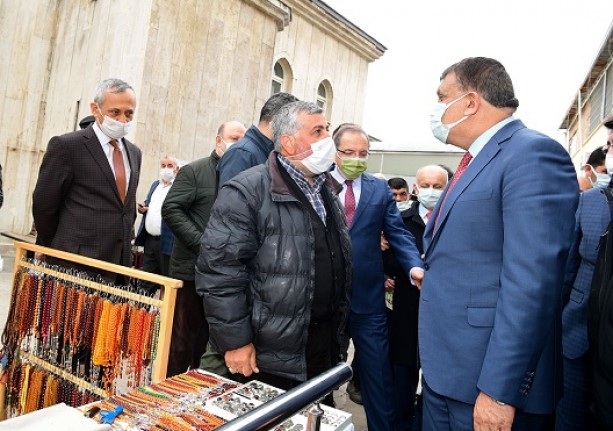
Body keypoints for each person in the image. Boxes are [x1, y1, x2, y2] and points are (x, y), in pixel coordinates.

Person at [419, 57, 579, 431]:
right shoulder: (475, 161)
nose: (436, 110)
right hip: (448, 373)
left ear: (471, 102)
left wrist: (500, 391)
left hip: (487, 387)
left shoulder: (531, 155)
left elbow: (531, 285)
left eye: (443, 98)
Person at [195, 102, 351, 404]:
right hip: (269, 357)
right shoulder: (246, 190)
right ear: (288, 142)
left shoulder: (326, 191)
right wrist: (236, 341)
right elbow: (220, 272)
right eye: (317, 131)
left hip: (319, 348)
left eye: (327, 129)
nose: (327, 139)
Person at [330, 123, 424, 431]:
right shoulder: (315, 184)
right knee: (317, 375)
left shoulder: (377, 189)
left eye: (363, 153)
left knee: (378, 378)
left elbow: (397, 234)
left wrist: (412, 266)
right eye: (349, 152)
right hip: (323, 299)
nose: (357, 158)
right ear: (335, 151)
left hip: (368, 300)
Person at [32, 78, 141, 282]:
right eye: (115, 112)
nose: (122, 120)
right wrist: (50, 246)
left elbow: (126, 206)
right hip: (75, 262)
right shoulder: (67, 146)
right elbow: (45, 205)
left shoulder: (134, 154)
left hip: (119, 266)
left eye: (129, 113)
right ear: (95, 108)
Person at [161, 120, 246, 377]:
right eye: (233, 138)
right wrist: (202, 244)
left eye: (243, 140)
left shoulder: (246, 174)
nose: (238, 145)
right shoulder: (195, 172)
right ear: (218, 140)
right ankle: (171, 393)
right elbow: (171, 209)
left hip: (227, 277)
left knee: (212, 342)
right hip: (191, 272)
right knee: (182, 342)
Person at [384, 165, 448, 431]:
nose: (431, 192)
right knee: (402, 377)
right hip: (405, 307)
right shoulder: (398, 219)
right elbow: (386, 261)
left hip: (443, 311)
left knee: (437, 380)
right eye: (425, 185)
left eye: (438, 186)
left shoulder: (454, 217)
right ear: (415, 188)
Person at [216, 92, 298, 186]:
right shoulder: (241, 153)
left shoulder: (267, 152)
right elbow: (230, 198)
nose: (294, 133)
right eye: (293, 125)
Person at [135, 156, 179, 289]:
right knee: (146, 282)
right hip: (150, 241)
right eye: (163, 165)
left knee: (166, 282)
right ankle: (145, 309)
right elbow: (149, 203)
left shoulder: (178, 187)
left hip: (167, 242)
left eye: (170, 166)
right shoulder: (155, 185)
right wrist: (144, 208)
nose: (166, 169)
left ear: (176, 168)